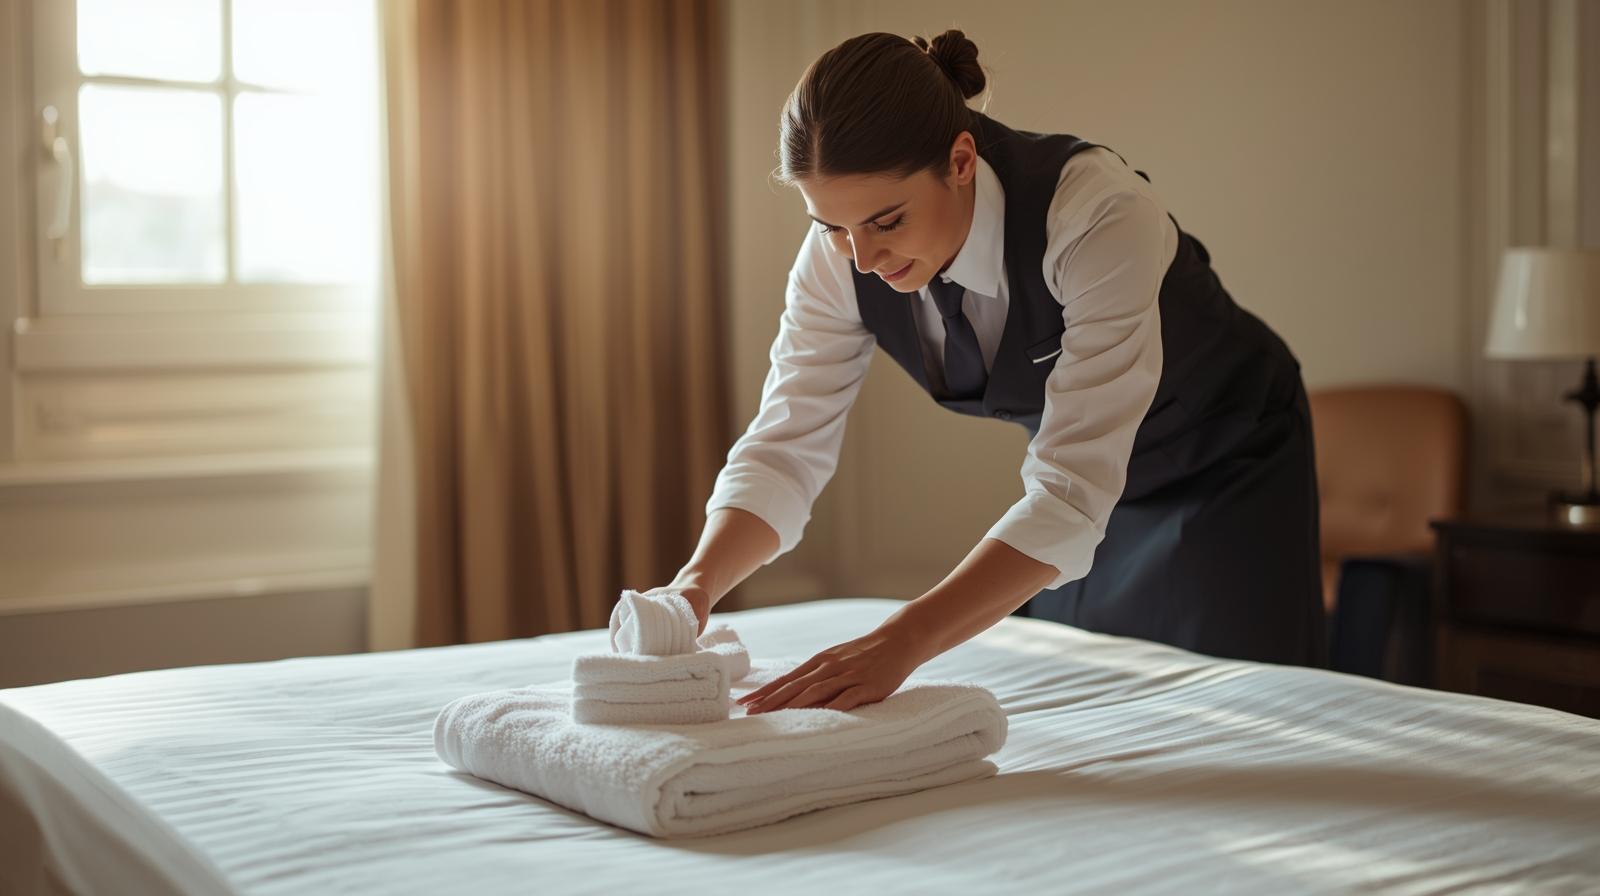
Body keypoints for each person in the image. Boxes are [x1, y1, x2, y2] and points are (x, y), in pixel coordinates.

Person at [642, 30, 1325, 715]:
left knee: (1236, 714)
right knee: (1089, 712)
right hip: (1082, 489)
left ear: (961, 160)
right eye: (832, 228)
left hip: (1227, 454)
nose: (861, 258)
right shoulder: (841, 255)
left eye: (886, 221)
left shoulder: (1097, 216)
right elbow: (785, 449)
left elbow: (1069, 494)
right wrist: (694, 587)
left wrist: (902, 639)